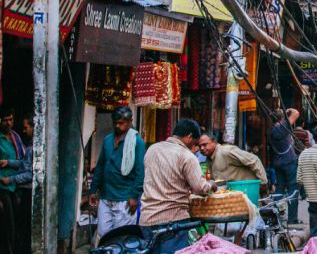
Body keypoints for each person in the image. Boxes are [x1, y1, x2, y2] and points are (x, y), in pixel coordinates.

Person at [140, 119, 217, 251]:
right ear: (189, 137)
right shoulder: (186, 155)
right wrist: (211, 184)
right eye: (195, 144)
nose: (196, 148)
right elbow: (199, 188)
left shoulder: (152, 149)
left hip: (147, 219)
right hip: (174, 220)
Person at [89, 106, 146, 239]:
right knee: (103, 235)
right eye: (115, 122)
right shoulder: (108, 139)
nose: (118, 125)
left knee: (121, 237)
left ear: (130, 122)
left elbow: (140, 172)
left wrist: (134, 195)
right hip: (106, 195)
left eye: (121, 123)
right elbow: (101, 165)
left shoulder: (137, 142)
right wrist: (93, 190)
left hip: (124, 198)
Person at [2, 116, 33, 253]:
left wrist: (11, 180)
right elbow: (23, 163)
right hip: (7, 189)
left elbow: (30, 173)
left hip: (19, 188)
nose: (24, 131)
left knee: (18, 227)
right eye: (5, 120)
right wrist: (8, 162)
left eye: (26, 128)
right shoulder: (29, 145)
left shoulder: (29, 146)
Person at [198, 133, 267, 186]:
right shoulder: (209, 159)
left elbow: (254, 160)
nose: (202, 148)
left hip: (247, 190)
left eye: (205, 145)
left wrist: (263, 183)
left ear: (214, 142)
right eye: (200, 146)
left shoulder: (226, 151)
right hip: (233, 196)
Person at [269, 109, 302, 223]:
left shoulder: (274, 130)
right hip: (289, 162)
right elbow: (296, 113)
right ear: (282, 119)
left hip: (279, 162)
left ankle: (276, 217)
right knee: (293, 190)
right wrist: (288, 110)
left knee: (279, 190)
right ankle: (292, 219)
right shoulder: (281, 128)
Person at [0, 105, 22, 254]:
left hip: (16, 186)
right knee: (9, 226)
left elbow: (22, 160)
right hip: (3, 188)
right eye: (5, 120)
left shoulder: (15, 137)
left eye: (11, 120)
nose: (9, 123)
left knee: (18, 224)